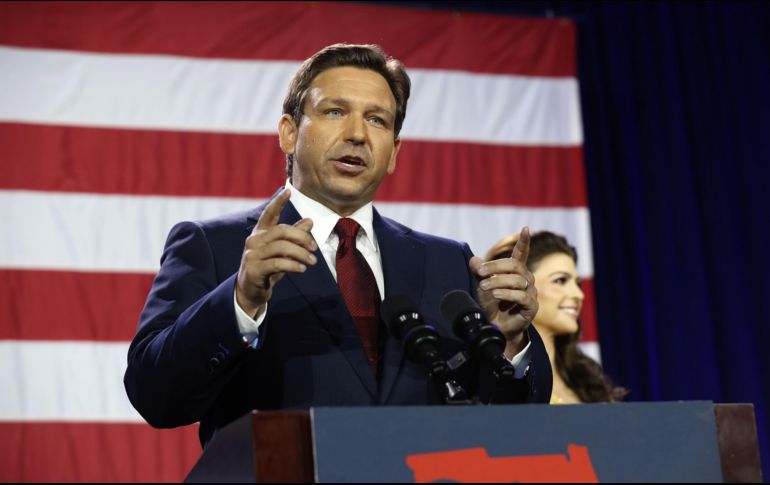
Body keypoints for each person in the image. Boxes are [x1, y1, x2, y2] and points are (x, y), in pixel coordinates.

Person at [124, 44, 552, 447]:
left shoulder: (448, 261)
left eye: (377, 120)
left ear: (393, 154)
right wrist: (240, 299)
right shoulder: (216, 246)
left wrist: (509, 344)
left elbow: (504, 426)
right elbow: (156, 397)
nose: (357, 134)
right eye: (334, 111)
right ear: (289, 133)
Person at [486, 231, 626, 404]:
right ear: (516, 287)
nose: (579, 295)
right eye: (560, 280)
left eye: (577, 283)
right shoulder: (490, 375)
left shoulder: (587, 379)